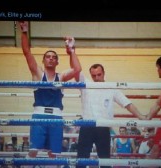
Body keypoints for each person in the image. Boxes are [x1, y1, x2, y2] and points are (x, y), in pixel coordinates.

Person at [19, 21, 82, 159]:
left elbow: (77, 69)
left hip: (56, 117)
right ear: (43, 60)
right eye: (48, 57)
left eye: (54, 57)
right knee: (33, 151)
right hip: (39, 117)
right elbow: (26, 52)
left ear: (57, 62)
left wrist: (72, 50)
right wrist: (24, 31)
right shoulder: (37, 74)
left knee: (54, 153)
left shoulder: (61, 77)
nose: (51, 59)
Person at [74, 63, 145, 168]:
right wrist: (71, 51)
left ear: (104, 73)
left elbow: (127, 103)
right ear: (90, 75)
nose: (97, 78)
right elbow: (76, 69)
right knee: (81, 160)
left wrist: (141, 117)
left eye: (99, 74)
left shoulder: (112, 88)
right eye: (94, 76)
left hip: (103, 127)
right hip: (87, 126)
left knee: (105, 160)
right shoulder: (86, 84)